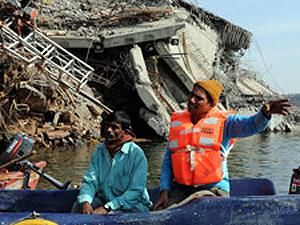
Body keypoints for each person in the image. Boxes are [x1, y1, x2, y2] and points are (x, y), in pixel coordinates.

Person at [153, 80, 291, 210]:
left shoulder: (226, 123)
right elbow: (168, 161)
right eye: (191, 95)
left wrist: (264, 114)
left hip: (213, 189)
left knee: (204, 212)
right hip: (181, 188)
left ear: (211, 104)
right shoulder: (178, 124)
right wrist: (164, 189)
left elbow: (251, 125)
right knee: (159, 213)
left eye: (198, 98)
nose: (191, 100)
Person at [73, 111, 152, 214]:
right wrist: (85, 202)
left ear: (125, 131)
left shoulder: (136, 155)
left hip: (133, 206)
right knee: (78, 206)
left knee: (111, 216)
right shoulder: (100, 151)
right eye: (107, 126)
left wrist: (107, 207)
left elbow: (135, 192)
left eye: (115, 127)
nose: (109, 130)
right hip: (105, 200)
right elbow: (90, 181)